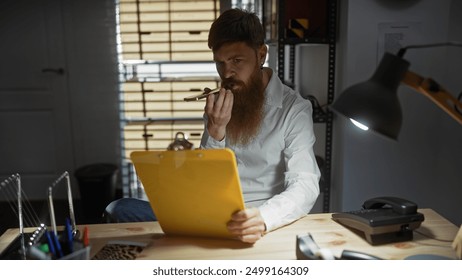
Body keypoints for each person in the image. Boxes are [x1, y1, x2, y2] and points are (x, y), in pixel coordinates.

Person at [104, 8, 320, 244]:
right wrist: (215, 131)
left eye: (237, 61)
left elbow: (305, 184)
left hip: (255, 217)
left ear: (261, 55)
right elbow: (205, 176)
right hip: (209, 213)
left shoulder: (294, 109)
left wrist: (263, 218)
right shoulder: (219, 104)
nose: (227, 72)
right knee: (119, 208)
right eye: (220, 63)